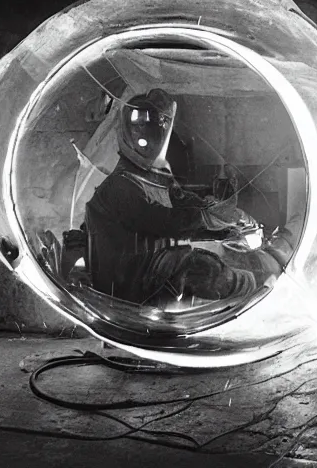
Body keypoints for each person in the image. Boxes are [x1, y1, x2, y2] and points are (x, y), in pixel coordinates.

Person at [82, 90, 294, 307]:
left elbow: (182, 201)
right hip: (125, 287)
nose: (142, 134)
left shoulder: (155, 175)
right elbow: (161, 220)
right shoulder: (120, 186)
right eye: (137, 126)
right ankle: (258, 290)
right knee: (195, 266)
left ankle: (255, 288)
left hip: (147, 272)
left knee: (208, 259)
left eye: (153, 126)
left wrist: (227, 221)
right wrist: (207, 217)